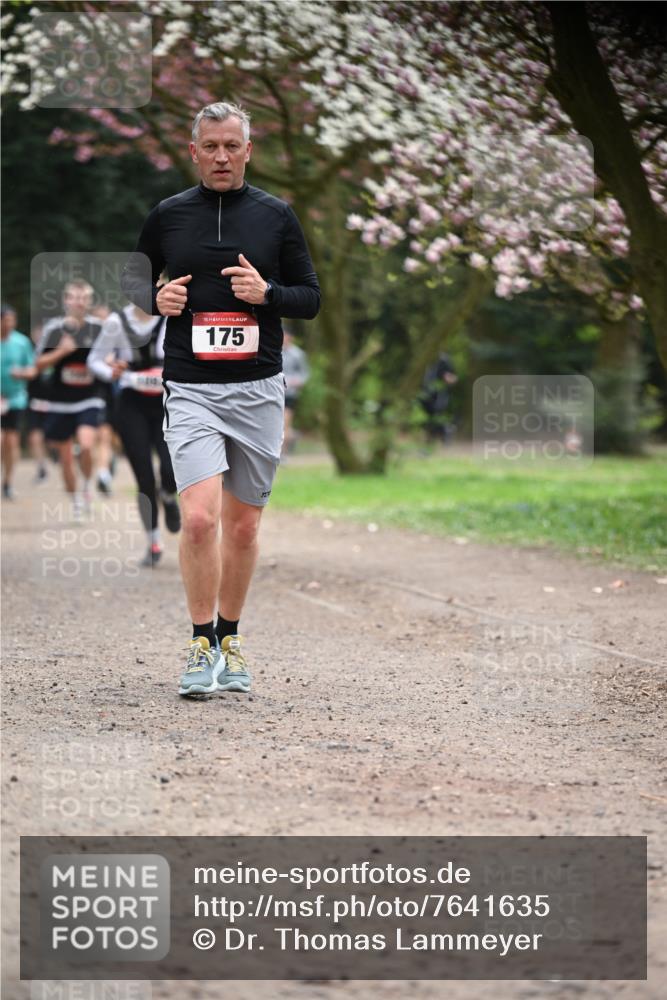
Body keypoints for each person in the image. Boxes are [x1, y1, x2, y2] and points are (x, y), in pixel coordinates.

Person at [121, 101, 320, 697]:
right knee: (201, 518)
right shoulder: (168, 215)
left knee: (241, 528)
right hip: (190, 387)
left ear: (248, 150)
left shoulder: (276, 216)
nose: (222, 156)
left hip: (258, 388)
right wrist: (155, 301)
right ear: (194, 151)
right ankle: (200, 643)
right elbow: (131, 279)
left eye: (232, 145)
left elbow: (309, 297)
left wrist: (267, 293)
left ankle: (230, 640)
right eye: (211, 146)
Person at [88, 304, 181, 566]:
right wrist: (112, 372)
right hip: (131, 405)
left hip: (167, 403)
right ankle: (153, 542)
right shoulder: (117, 322)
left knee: (170, 467)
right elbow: (94, 360)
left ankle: (168, 496)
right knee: (143, 474)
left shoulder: (175, 314)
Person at [34, 280, 105, 517]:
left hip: (89, 398)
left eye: (83, 297)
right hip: (59, 402)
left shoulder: (99, 328)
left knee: (86, 445)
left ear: (89, 302)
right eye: (74, 297)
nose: (79, 302)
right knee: (65, 459)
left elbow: (110, 355)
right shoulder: (54, 329)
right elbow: (38, 365)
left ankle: (87, 486)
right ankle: (75, 499)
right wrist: (61, 352)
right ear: (66, 301)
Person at [0, 305, 35, 499]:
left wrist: (21, 373)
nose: (10, 324)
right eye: (6, 320)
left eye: (12, 320)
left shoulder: (22, 343)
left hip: (15, 398)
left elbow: (32, 369)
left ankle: (8, 481)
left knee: (11, 442)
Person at [281, 329, 310, 456]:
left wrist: (295, 382)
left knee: (285, 423)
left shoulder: (298, 354)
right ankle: (293, 436)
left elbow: (305, 374)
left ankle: (284, 454)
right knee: (277, 425)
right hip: (275, 392)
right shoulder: (274, 352)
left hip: (290, 394)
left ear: (290, 338)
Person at [420, 352, 458, 445]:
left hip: (439, 394)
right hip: (427, 393)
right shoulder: (426, 359)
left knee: (437, 414)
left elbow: (452, 378)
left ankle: (446, 433)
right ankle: (438, 435)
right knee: (430, 416)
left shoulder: (444, 360)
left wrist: (445, 382)